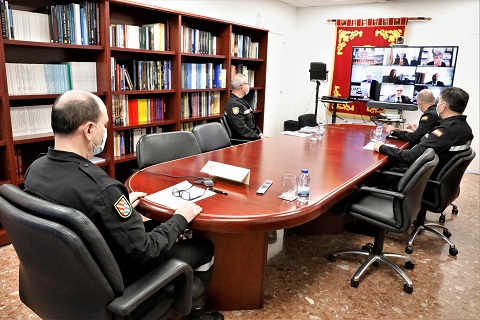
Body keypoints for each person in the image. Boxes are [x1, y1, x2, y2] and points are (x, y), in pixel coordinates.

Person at [24, 90, 224, 320]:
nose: (105, 132)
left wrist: (114, 208)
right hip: (116, 281)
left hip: (70, 277)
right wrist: (180, 218)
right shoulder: (103, 188)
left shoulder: (36, 170)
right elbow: (146, 251)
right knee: (203, 247)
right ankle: (196, 316)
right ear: (89, 130)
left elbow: (78, 211)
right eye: (104, 125)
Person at [375, 86, 473, 180]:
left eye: (438, 102)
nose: (436, 105)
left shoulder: (446, 131)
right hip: (433, 176)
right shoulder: (465, 128)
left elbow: (410, 156)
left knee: (374, 175)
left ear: (443, 106)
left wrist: (381, 147)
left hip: (420, 179)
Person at [225, 73, 265, 140]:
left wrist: (259, 133)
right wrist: (258, 137)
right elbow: (241, 129)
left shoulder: (242, 101)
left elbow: (252, 124)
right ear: (242, 86)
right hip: (246, 141)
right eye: (247, 84)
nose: (248, 86)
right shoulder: (233, 105)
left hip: (254, 137)